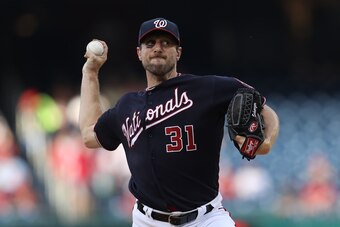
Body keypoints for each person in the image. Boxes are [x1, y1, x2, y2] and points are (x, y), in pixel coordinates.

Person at [79, 17, 279, 227]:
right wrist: (90, 72)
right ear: (139, 53)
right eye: (150, 43)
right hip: (147, 221)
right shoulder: (126, 106)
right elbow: (89, 134)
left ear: (178, 52)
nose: (158, 48)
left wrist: (267, 141)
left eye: (166, 43)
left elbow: (265, 110)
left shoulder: (208, 89)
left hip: (206, 219)